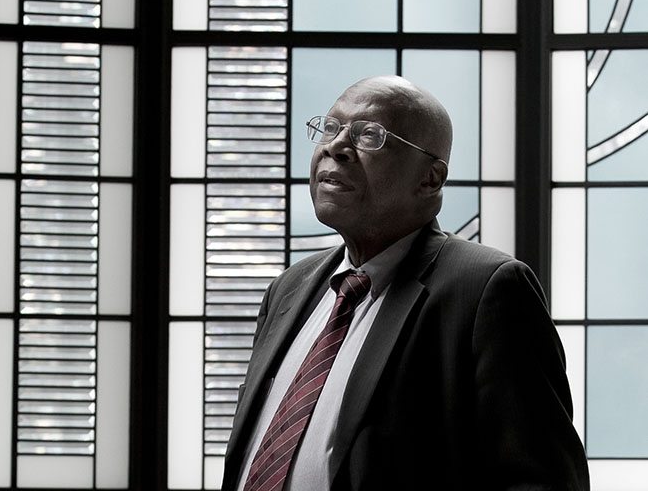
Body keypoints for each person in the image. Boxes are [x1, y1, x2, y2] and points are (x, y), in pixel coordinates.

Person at [220, 75, 589, 490]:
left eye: (370, 136)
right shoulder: (289, 288)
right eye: (330, 127)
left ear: (430, 178)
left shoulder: (488, 289)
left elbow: (541, 479)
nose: (335, 147)